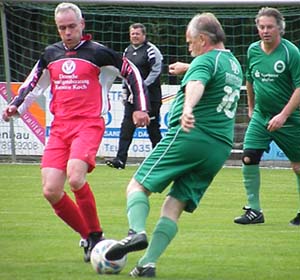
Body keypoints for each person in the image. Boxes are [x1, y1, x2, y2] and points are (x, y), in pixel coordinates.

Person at [2, 2, 150, 262]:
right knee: (50, 190)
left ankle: (95, 235)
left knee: (75, 177)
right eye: (62, 28)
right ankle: (91, 238)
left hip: (89, 124)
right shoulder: (50, 54)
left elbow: (132, 72)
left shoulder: (98, 53)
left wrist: (141, 107)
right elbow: (33, 84)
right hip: (59, 128)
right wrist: (15, 106)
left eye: (72, 26)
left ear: (82, 25)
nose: (67, 32)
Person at [104, 12, 243, 277]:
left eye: (190, 41)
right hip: (219, 148)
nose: (188, 47)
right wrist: (186, 68)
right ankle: (147, 263)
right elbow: (207, 77)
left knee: (137, 185)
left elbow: (197, 83)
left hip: (191, 136)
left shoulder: (204, 61)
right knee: (174, 204)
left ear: (202, 39)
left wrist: (188, 108)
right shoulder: (233, 63)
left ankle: (135, 233)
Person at [233, 7, 300, 226]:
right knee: (248, 157)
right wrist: (252, 109)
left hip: (290, 119)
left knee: (298, 166)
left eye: (269, 26)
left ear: (279, 28)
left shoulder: (291, 53)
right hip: (261, 116)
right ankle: (254, 211)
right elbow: (250, 79)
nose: (265, 31)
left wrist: (283, 115)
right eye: (261, 27)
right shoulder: (253, 50)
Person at [106, 23, 163, 169]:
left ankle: (160, 160)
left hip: (151, 98)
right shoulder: (127, 51)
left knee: (153, 130)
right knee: (126, 128)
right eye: (132, 34)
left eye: (137, 34)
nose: (135, 36)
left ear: (144, 35)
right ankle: (120, 160)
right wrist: (126, 91)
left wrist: (142, 86)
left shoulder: (151, 50)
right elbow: (125, 73)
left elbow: (156, 71)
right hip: (132, 99)